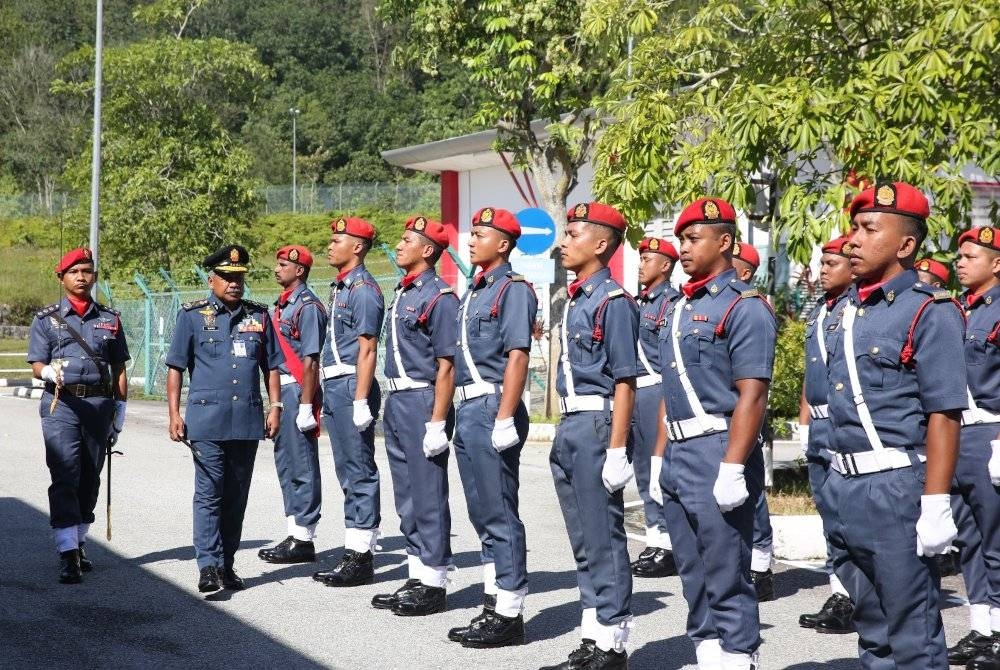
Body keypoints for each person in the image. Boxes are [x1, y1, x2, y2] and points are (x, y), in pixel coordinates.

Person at [824, 181, 965, 668]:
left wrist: (935, 503)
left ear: (906, 246)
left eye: (868, 229)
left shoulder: (930, 311)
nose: (852, 240)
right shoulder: (845, 309)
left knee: (912, 634)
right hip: (846, 486)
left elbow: (944, 413)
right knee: (873, 630)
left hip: (897, 490)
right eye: (853, 228)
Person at [657, 197, 774, 670]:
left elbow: (753, 394)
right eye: (680, 240)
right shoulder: (681, 306)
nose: (682, 248)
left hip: (717, 446)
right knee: (690, 566)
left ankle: (739, 655)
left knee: (726, 566)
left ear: (725, 242)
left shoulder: (744, 307)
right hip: (679, 449)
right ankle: (709, 652)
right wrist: (657, 461)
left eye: (692, 239)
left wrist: (731, 466)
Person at [541, 202, 638, 670]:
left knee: (603, 537)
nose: (563, 242)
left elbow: (625, 380)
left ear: (601, 245)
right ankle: (593, 634)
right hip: (571, 425)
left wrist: (617, 448)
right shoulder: (579, 298)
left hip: (598, 426)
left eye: (573, 233)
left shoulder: (612, 302)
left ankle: (613, 643)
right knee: (582, 539)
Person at [165, 244, 283, 593]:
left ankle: (227, 564)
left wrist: (275, 408)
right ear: (211, 279)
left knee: (235, 495)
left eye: (239, 278)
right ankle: (208, 565)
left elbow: (271, 367)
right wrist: (174, 414)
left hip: (245, 422)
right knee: (208, 494)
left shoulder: (259, 317)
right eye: (227, 277)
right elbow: (175, 368)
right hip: (206, 420)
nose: (234, 283)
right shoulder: (192, 316)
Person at [448, 206, 537, 648]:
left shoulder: (513, 290)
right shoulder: (475, 290)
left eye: (480, 234)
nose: (471, 240)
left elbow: (517, 355)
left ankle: (510, 612)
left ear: (502, 243)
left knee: (500, 512)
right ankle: (493, 598)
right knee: (482, 511)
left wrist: (505, 415)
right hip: (468, 409)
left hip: (490, 405)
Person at [372, 215, 458, 617]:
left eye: (407, 239)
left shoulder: (439, 297)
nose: (399, 245)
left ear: (428, 250)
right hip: (397, 401)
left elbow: (446, 365)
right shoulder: (404, 293)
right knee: (406, 496)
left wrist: (438, 421)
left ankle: (435, 581)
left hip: (424, 401)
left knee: (427, 496)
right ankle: (416, 571)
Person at [28, 248, 129, 584]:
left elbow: (119, 368)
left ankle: (79, 540)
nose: (81, 276)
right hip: (63, 405)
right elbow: (37, 363)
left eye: (87, 270)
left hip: (99, 407)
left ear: (94, 276)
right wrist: (46, 374)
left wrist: (121, 408)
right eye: (74, 272)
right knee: (65, 472)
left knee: (90, 477)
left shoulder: (110, 319)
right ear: (62, 278)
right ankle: (66, 551)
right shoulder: (46, 319)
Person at [312, 217, 385, 588]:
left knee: (358, 469)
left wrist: (359, 399)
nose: (330, 245)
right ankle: (354, 547)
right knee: (346, 469)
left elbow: (367, 348)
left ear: (357, 247)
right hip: (336, 384)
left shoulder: (363, 290)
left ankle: (361, 556)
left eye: (337, 239)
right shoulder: (342, 286)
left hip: (350, 385)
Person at [796, 236, 856, 634]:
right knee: (830, 514)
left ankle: (855, 596)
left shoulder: (857, 308)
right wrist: (803, 424)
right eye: (823, 263)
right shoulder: (819, 309)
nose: (823, 271)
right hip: (818, 424)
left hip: (843, 423)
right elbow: (811, 372)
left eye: (832, 263)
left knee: (849, 515)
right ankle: (840, 591)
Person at [949, 228, 1000, 670]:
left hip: (991, 434)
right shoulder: (960, 310)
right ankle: (982, 627)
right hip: (960, 436)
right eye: (958, 256)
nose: (959, 262)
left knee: (997, 538)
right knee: (970, 538)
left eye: (970, 256)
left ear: (996, 263)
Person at [258, 245, 328, 564]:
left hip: (299, 389)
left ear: (299, 270)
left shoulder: (307, 306)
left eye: (283, 264)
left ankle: (305, 537)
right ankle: (294, 531)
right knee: (286, 462)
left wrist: (304, 405)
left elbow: (310, 360)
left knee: (302, 464)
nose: (277, 268)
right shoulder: (283, 305)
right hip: (282, 392)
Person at [727, 239, 776, 601]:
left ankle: (761, 566)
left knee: (753, 491)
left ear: (744, 271)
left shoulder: (752, 308)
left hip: (746, 413)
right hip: (720, 416)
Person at [631, 236, 680, 579]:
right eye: (640, 259)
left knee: (658, 468)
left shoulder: (671, 303)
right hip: (636, 391)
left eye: (648, 259)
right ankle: (655, 539)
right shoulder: (639, 302)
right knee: (642, 470)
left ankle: (668, 545)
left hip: (657, 390)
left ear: (665, 265)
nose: (641, 265)